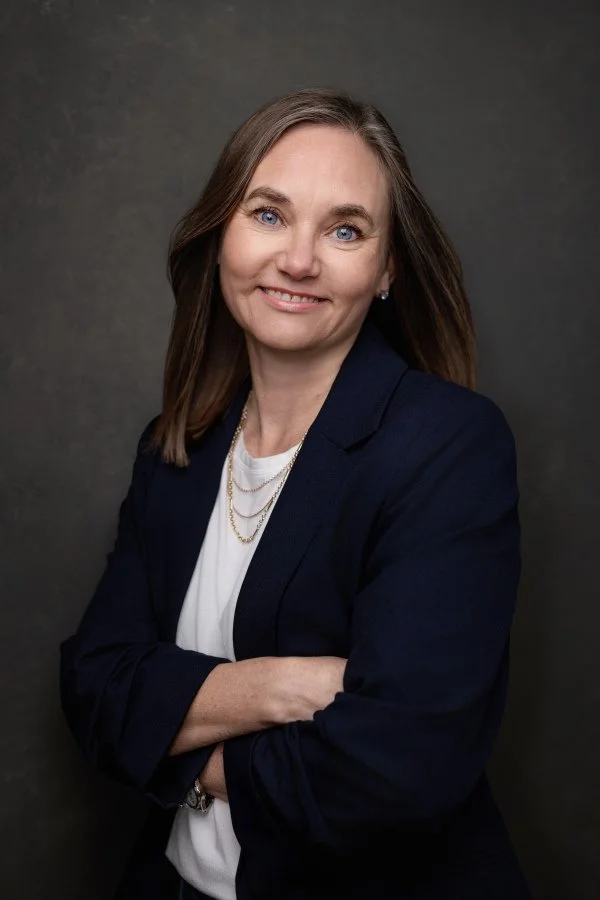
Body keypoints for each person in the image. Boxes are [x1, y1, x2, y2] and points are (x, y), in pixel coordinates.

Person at [60, 87, 531, 899]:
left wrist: (176, 744)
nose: (300, 259)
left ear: (386, 270)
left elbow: (396, 769)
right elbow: (92, 687)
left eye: (345, 229)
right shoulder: (177, 445)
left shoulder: (447, 444)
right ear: (221, 238)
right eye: (269, 215)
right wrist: (275, 688)